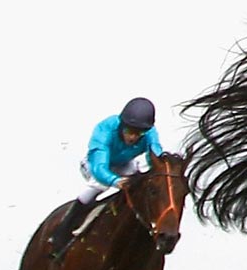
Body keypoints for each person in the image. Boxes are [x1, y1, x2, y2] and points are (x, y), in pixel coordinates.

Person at [51, 97, 166, 258]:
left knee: (140, 179)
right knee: (99, 186)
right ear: (122, 125)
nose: (133, 137)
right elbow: (99, 168)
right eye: (129, 131)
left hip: (123, 164)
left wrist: (162, 167)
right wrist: (115, 181)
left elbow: (155, 154)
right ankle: (62, 231)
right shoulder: (105, 130)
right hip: (94, 165)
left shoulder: (149, 132)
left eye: (139, 133)